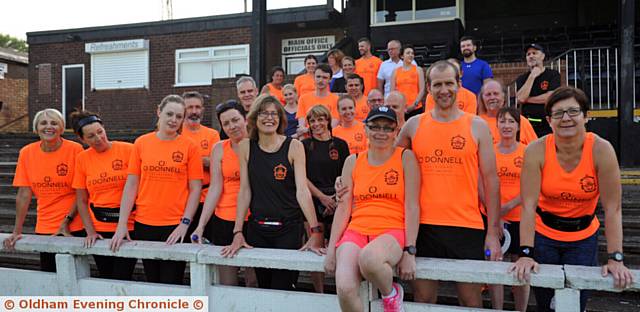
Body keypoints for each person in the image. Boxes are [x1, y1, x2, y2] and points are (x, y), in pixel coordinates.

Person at [510, 87, 635, 312]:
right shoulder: (536, 150)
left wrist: (616, 257)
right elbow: (528, 205)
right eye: (558, 113)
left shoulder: (601, 149)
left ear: (585, 116)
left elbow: (613, 208)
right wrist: (525, 253)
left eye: (573, 111)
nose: (566, 118)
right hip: (544, 236)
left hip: (583, 238)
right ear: (549, 120)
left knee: (577, 303)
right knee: (546, 303)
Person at [397, 61, 501, 307]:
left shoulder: (477, 125)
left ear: (459, 85)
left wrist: (493, 232)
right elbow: (388, 164)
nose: (444, 90)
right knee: (423, 300)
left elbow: (491, 180)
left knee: (470, 300)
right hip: (423, 226)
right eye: (437, 84)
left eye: (448, 83)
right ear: (429, 89)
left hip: (467, 226)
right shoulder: (414, 125)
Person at [221, 94, 324, 291]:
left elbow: (303, 191)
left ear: (280, 118)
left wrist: (315, 231)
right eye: (264, 113)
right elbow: (244, 191)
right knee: (264, 287)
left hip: (288, 229)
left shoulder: (294, 146)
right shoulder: (246, 146)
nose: (269, 118)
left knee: (284, 287)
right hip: (258, 230)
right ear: (254, 118)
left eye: (274, 114)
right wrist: (238, 231)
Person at [325, 106, 420, 312]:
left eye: (388, 128)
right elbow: (343, 208)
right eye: (375, 126)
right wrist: (332, 249)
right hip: (357, 229)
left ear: (396, 131)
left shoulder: (405, 158)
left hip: (391, 230)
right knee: (344, 287)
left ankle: (391, 294)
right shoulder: (353, 161)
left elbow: (412, 206)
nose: (381, 132)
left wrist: (410, 251)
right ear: (365, 130)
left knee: (369, 259)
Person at [110, 95, 203, 285]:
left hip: (174, 226)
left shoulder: (190, 147)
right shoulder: (141, 143)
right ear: (159, 112)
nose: (174, 120)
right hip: (144, 224)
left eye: (179, 116)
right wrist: (121, 224)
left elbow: (195, 189)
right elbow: (131, 185)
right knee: (152, 281)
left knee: (171, 282)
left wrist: (185, 224)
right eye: (169, 114)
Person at [3, 108, 84, 272]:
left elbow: (81, 192)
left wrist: (66, 221)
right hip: (45, 226)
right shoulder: (26, 153)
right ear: (36, 128)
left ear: (61, 128)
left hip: (74, 225)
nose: (49, 127)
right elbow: (24, 195)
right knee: (49, 274)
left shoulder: (75, 150)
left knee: (74, 274)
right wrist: (16, 231)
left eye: (54, 123)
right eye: (44, 123)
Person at [191, 100, 257, 287]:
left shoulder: (258, 144)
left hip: (252, 219)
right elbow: (215, 188)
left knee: (254, 279)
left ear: (245, 119)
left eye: (235, 120)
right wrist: (201, 225)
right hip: (224, 218)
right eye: (226, 123)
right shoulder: (219, 148)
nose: (232, 126)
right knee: (226, 281)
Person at [70, 110, 137, 280]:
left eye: (100, 132)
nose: (98, 138)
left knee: (122, 276)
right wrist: (90, 231)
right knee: (105, 276)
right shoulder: (82, 159)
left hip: (128, 226)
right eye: (91, 136)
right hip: (99, 227)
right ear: (82, 139)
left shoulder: (129, 150)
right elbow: (82, 200)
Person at [483, 106, 530, 311]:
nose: (507, 125)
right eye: (503, 121)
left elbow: (532, 186)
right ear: (497, 124)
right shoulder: (488, 151)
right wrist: (496, 215)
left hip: (520, 218)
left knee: (520, 268)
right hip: (492, 219)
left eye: (511, 121)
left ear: (518, 126)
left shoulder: (527, 151)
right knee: (495, 263)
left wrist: (506, 207)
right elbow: (480, 185)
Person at [302, 105, 350, 293]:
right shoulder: (304, 145)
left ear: (328, 121)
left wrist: (336, 199)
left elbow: (347, 175)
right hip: (314, 200)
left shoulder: (340, 144)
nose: (316, 124)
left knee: (341, 247)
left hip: (338, 199)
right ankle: (319, 293)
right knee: (316, 247)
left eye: (320, 119)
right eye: (312, 121)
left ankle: (342, 291)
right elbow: (301, 177)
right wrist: (322, 197)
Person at [181, 91, 221, 240]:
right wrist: (204, 159)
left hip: (206, 198)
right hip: (183, 198)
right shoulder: (176, 133)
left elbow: (217, 164)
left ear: (203, 110)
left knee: (207, 240)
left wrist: (191, 159)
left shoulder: (212, 134)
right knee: (183, 242)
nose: (194, 111)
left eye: (197, 107)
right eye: (190, 107)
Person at [516, 43, 561, 137]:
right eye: (528, 54)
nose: (531, 56)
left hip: (548, 123)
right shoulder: (522, 78)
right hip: (528, 124)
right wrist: (532, 76)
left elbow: (551, 97)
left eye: (534, 53)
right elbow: (520, 98)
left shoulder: (553, 74)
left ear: (543, 56)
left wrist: (527, 99)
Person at [478, 79, 538, 145]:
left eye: (496, 94)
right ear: (482, 98)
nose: (492, 97)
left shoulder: (519, 121)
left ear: (504, 97)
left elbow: (536, 149)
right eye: (488, 94)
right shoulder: (477, 123)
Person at [297, 63, 340, 130]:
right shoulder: (303, 99)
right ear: (314, 77)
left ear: (330, 79)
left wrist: (308, 130)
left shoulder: (336, 99)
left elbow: (332, 126)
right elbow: (301, 126)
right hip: (308, 138)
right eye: (318, 77)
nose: (320, 80)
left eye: (324, 77)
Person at [390, 44, 426, 120]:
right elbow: (392, 92)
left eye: (412, 53)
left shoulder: (418, 70)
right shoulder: (395, 72)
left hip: (416, 108)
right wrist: (399, 106)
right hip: (400, 109)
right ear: (402, 56)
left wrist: (414, 105)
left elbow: (422, 89)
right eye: (408, 53)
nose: (411, 55)